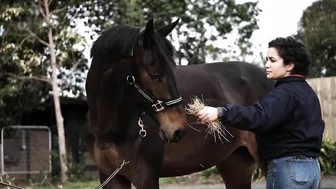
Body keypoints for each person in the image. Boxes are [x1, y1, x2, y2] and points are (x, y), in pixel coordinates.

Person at [196, 36, 325, 189]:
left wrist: (222, 112)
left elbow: (259, 116)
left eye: (272, 60)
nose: (266, 65)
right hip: (312, 169)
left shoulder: (283, 93)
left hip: (289, 170)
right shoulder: (308, 93)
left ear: (290, 65)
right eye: (267, 60)